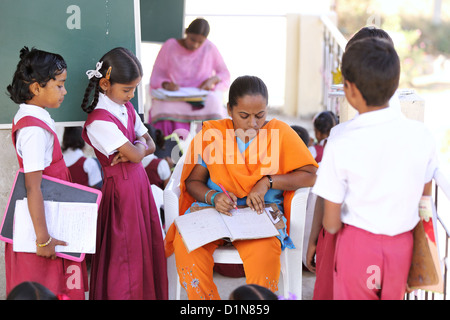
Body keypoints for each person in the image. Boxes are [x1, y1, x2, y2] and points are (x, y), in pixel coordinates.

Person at [164, 75, 318, 300]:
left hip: (259, 215)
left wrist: (267, 182)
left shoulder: (281, 134)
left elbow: (310, 175)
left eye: (260, 115)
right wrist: (213, 196)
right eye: (244, 116)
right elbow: (192, 182)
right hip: (215, 212)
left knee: (265, 254)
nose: (253, 123)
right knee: (188, 247)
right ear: (229, 109)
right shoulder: (214, 135)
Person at [312, 38, 438, 300]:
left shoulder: (340, 141)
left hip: (357, 247)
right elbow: (423, 196)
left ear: (350, 89)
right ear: (394, 86)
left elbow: (331, 223)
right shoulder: (422, 135)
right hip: (402, 247)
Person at [306, 26, 400, 300]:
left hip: (349, 239)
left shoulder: (340, 136)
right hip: (384, 241)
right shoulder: (411, 135)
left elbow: (327, 198)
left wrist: (315, 238)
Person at [80, 47, 168, 300]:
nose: (131, 96)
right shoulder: (99, 120)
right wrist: (138, 149)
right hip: (121, 191)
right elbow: (141, 152)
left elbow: (148, 146)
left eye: (134, 90)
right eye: (127, 90)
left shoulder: (126, 108)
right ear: (105, 84)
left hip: (137, 184)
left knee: (143, 248)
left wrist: (136, 148)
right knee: (125, 254)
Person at [5, 47, 88, 300]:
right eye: (60, 85)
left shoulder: (36, 117)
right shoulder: (33, 130)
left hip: (51, 218)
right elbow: (33, 187)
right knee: (45, 288)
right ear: (36, 88)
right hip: (41, 230)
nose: (65, 91)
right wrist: (43, 240)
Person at [149, 18, 231, 136]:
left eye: (200, 42)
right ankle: (168, 148)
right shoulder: (170, 46)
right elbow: (157, 74)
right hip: (176, 96)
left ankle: (211, 147)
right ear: (186, 33)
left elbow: (224, 74)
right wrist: (166, 84)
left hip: (201, 97)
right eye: (192, 39)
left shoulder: (209, 48)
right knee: (162, 106)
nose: (195, 45)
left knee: (215, 104)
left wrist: (213, 80)